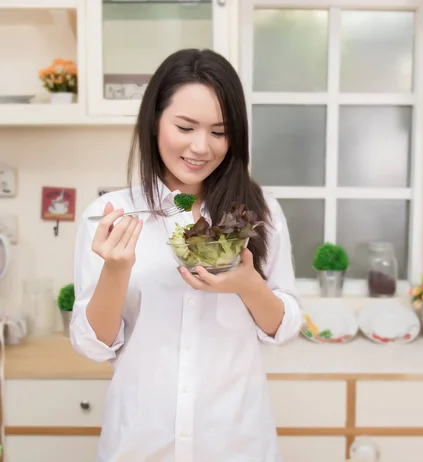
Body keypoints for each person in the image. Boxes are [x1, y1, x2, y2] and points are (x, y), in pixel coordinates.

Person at [70, 48, 302, 461]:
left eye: (219, 131)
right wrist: (116, 270)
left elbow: (283, 328)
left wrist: (248, 284)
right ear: (154, 121)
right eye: (185, 126)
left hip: (235, 441)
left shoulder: (257, 212)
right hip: (140, 441)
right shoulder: (113, 216)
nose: (201, 147)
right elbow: (95, 346)